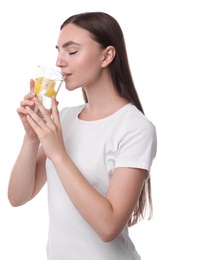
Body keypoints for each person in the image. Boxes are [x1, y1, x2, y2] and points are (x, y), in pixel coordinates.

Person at [8, 11, 157, 260]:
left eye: (72, 51)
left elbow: (108, 227)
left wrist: (58, 153)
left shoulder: (136, 128)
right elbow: (17, 196)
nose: (59, 62)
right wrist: (32, 138)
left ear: (107, 55)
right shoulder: (64, 119)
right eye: (58, 50)